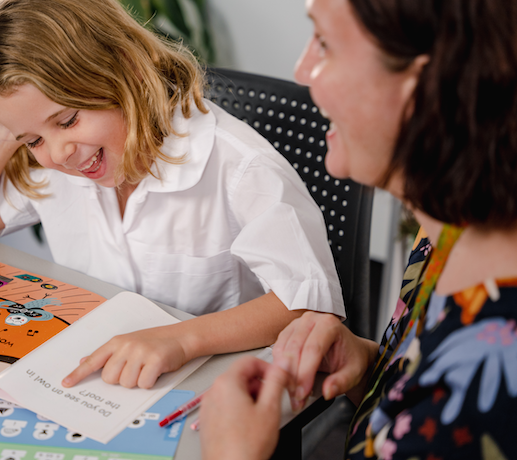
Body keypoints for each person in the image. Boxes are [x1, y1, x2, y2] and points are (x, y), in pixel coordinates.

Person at [0, 0, 345, 390]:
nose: (58, 152)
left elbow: (307, 304)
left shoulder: (239, 166)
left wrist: (183, 339)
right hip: (108, 372)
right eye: (32, 140)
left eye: (68, 119)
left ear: (125, 71)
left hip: (215, 380)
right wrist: (7, 121)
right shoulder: (62, 164)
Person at [199, 0, 517, 458]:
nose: (303, 71)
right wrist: (370, 365)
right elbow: (413, 396)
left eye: (325, 44)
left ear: (425, 89)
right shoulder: (450, 231)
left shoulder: (481, 396)